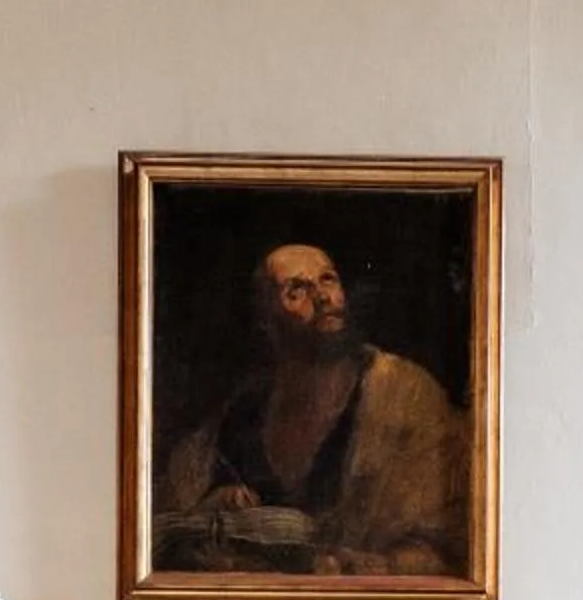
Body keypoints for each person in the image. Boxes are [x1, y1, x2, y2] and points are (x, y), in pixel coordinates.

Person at [156, 243, 467, 575]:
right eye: (297, 290)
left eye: (328, 280)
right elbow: (161, 525)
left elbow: (448, 543)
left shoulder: (403, 393)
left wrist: (370, 565)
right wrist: (209, 515)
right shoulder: (243, 412)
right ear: (266, 320)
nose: (322, 298)